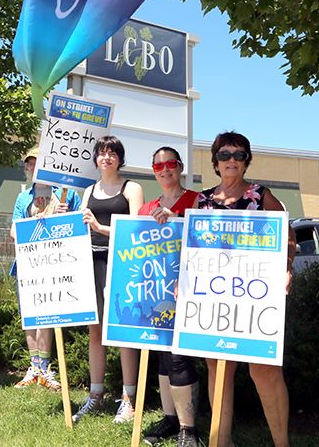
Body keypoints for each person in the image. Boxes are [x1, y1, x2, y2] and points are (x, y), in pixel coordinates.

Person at [196, 131, 296, 447]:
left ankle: (282, 443)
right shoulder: (203, 200)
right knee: (217, 366)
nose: (231, 161)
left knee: (263, 369)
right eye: (224, 155)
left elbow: (288, 238)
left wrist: (287, 266)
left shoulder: (261, 195)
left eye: (238, 155)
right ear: (215, 161)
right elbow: (191, 249)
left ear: (246, 161)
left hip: (254, 296)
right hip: (214, 298)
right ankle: (219, 441)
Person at [77, 135, 144, 423]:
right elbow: (81, 227)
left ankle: (129, 397)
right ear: (95, 159)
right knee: (96, 329)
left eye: (112, 153)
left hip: (120, 263)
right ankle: (95, 394)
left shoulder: (132, 188)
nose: (106, 157)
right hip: (90, 261)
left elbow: (137, 231)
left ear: (120, 157)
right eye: (102, 153)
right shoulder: (88, 190)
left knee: (121, 329)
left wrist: (100, 228)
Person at [138, 147, 201, 447]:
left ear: (180, 167)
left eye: (171, 164)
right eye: (159, 166)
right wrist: (98, 228)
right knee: (162, 356)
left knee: (179, 356)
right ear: (153, 170)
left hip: (186, 289)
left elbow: (204, 237)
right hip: (154, 292)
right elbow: (131, 242)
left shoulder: (196, 201)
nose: (165, 170)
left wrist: (176, 217)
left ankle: (189, 429)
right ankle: (171, 418)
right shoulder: (145, 208)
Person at [11, 146, 81, 391]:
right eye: (29, 164)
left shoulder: (67, 194)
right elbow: (13, 231)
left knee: (49, 317)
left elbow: (79, 224)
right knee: (30, 317)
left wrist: (66, 214)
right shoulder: (23, 198)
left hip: (56, 263)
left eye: (37, 163)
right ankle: (34, 368)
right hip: (29, 263)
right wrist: (31, 223)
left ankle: (46, 368)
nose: (33, 168)